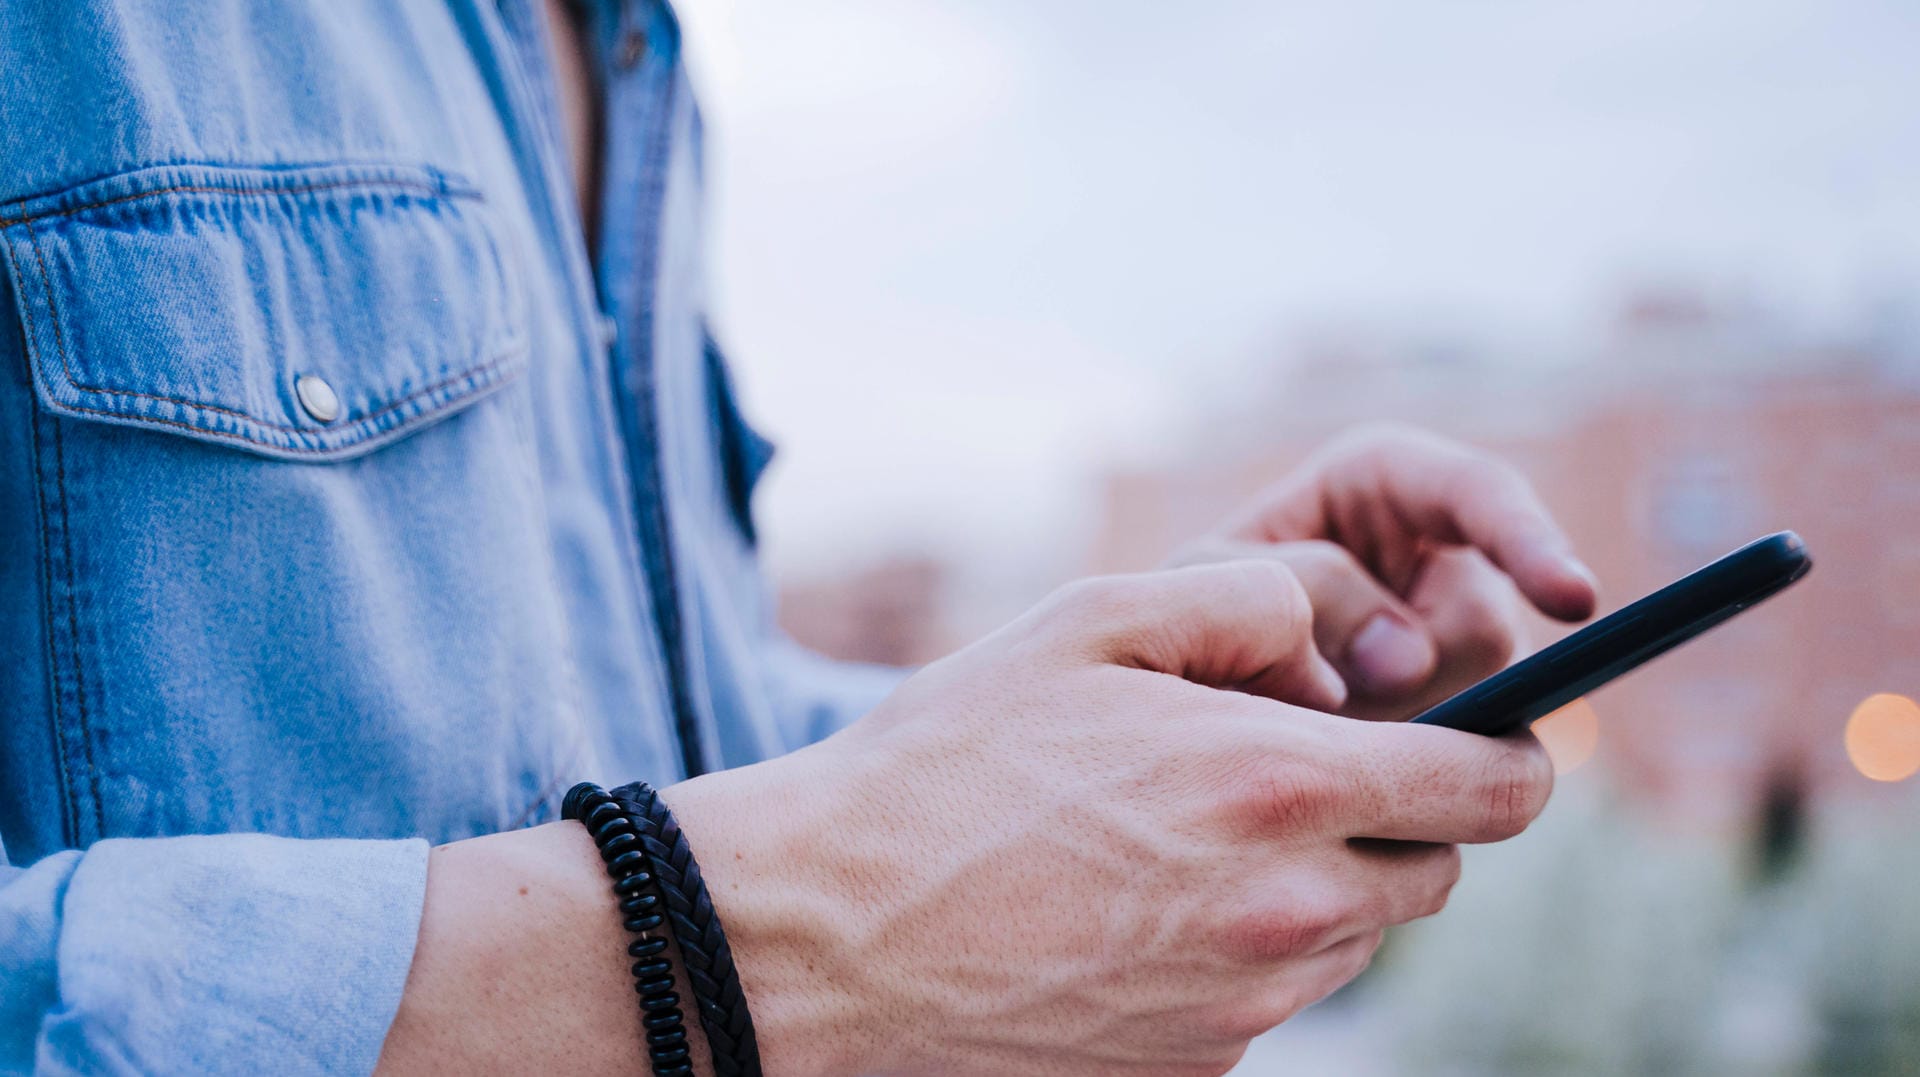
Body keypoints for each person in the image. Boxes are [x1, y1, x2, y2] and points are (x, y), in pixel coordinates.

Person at [0, 2, 1598, 1074]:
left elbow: (616, 741)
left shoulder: (631, 55)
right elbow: (752, 881)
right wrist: (763, 940)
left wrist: (1180, 716)